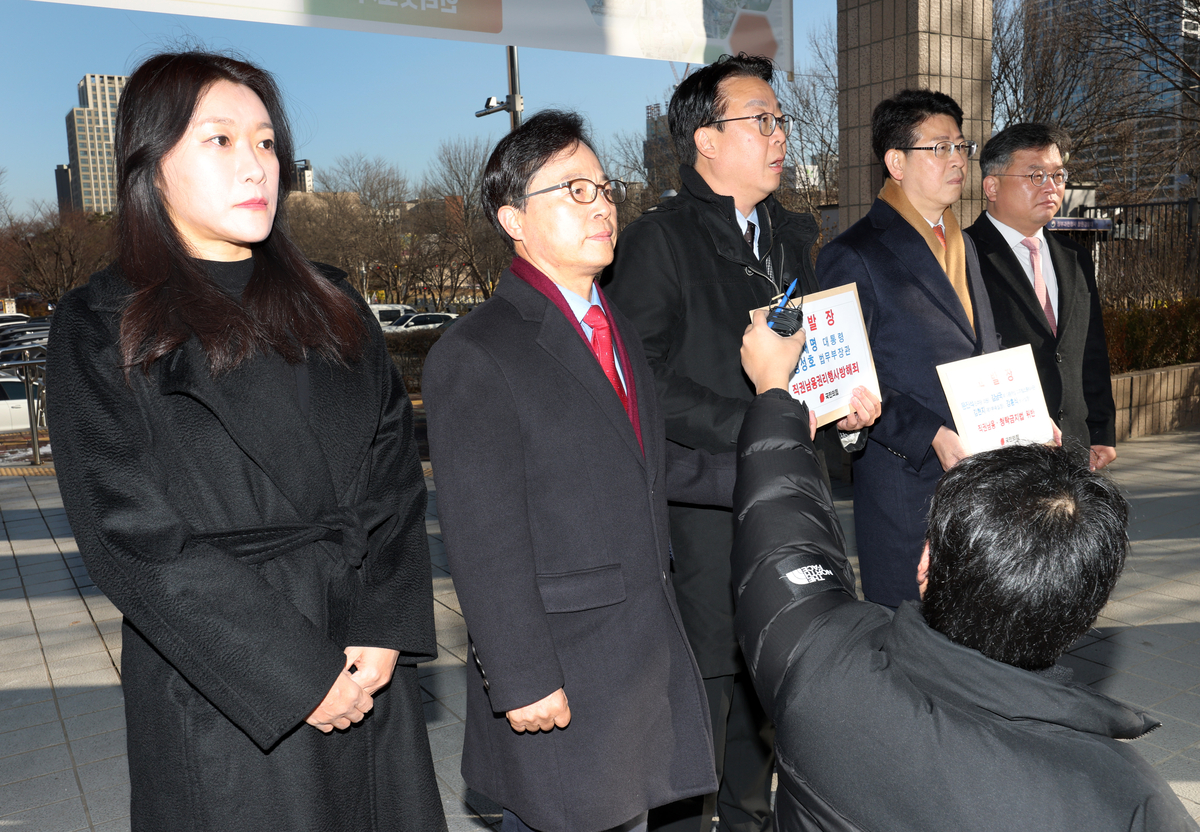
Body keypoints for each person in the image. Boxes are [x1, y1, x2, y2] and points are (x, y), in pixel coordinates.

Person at [47, 51, 444, 831]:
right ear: (150, 165)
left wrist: (382, 622)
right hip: (227, 677)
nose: (255, 164)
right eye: (220, 141)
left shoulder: (332, 301)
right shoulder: (104, 321)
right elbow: (129, 538)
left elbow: (393, 475)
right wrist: (295, 674)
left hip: (362, 654)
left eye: (266, 142)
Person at [728, 310, 1199, 832]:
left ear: (925, 563)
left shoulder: (822, 672)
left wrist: (774, 393)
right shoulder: (1127, 800)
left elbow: (782, 538)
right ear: (1083, 610)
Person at [422, 110, 735, 832]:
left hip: (640, 649)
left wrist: (771, 460)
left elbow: (648, 463)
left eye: (604, 187)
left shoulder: (611, 323)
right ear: (512, 219)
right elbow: (481, 535)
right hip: (562, 666)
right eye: (573, 191)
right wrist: (523, 677)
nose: (601, 205)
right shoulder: (478, 352)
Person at [603, 54, 879, 832]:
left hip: (786, 501)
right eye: (759, 119)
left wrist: (840, 410)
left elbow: (805, 366)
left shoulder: (793, 240)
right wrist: (764, 419)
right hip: (705, 512)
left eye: (780, 119)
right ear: (704, 140)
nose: (779, 134)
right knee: (704, 704)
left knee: (777, 684)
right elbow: (642, 382)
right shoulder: (660, 243)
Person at [816, 88, 998, 608]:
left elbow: (984, 348)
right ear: (896, 161)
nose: (958, 159)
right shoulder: (854, 253)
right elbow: (847, 379)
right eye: (939, 148)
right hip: (907, 482)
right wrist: (932, 434)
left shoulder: (964, 244)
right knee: (909, 642)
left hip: (978, 482)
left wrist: (1025, 416)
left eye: (962, 145)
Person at [965, 123, 1117, 471]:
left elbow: (1090, 349)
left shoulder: (1074, 257)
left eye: (1058, 175)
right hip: (1003, 453)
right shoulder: (963, 255)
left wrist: (1101, 429)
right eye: (1036, 175)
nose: (1051, 187)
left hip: (1075, 448)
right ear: (992, 186)